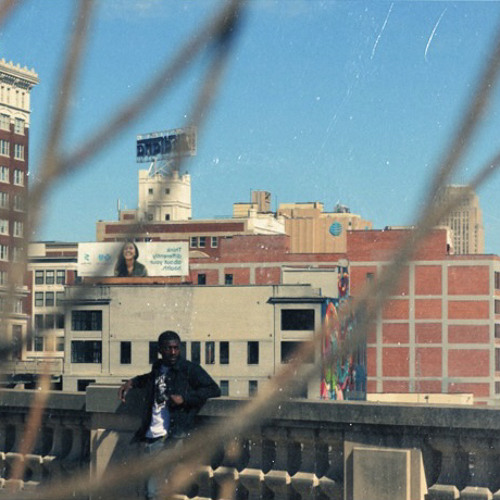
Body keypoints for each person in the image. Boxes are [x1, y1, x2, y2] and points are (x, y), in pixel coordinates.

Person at [118, 331, 220, 500]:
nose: (173, 352)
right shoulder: (158, 368)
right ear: (160, 350)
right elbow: (150, 379)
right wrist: (132, 382)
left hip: (169, 438)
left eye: (176, 348)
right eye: (168, 348)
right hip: (150, 436)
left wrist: (185, 398)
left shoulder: (188, 369)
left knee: (153, 491)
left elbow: (213, 389)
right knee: (149, 489)